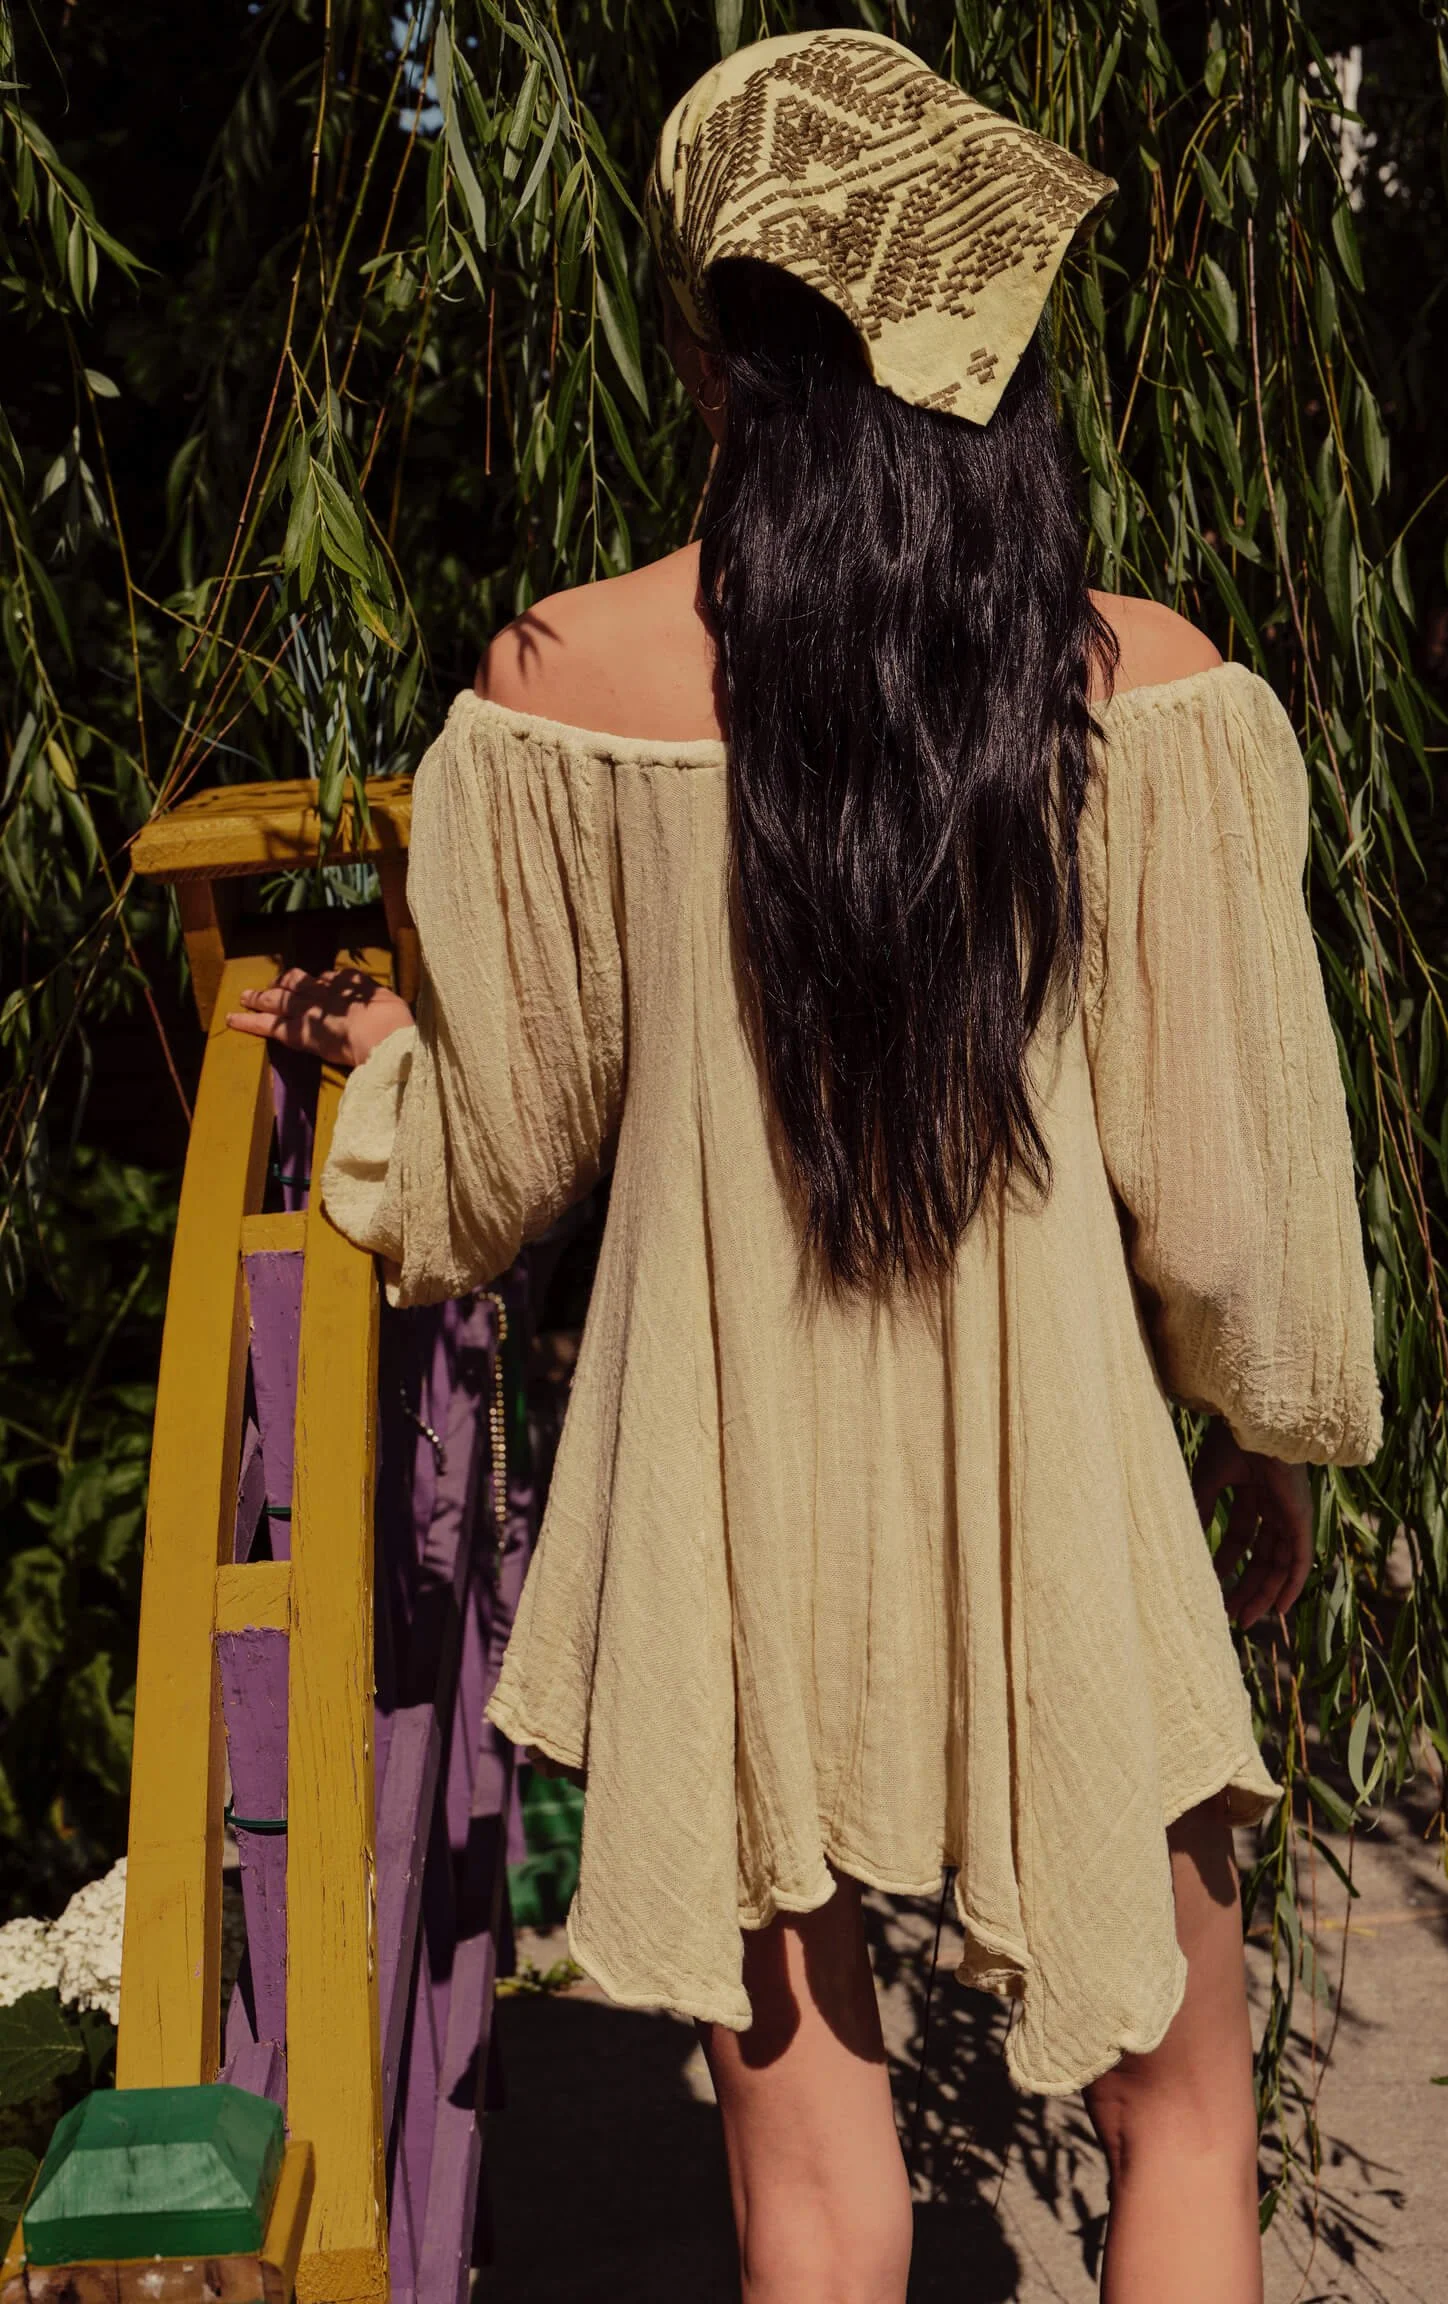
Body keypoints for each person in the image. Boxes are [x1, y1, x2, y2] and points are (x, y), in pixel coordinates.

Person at [229, 30, 1380, 2304]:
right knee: (1186, 2111)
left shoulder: (569, 688)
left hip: (727, 1507)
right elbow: (1237, 1216)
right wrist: (1276, 1445)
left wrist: (381, 1074)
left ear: (716, 323)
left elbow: (498, 1158)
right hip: (1058, 1492)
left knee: (815, 2208)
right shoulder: (1136, 690)